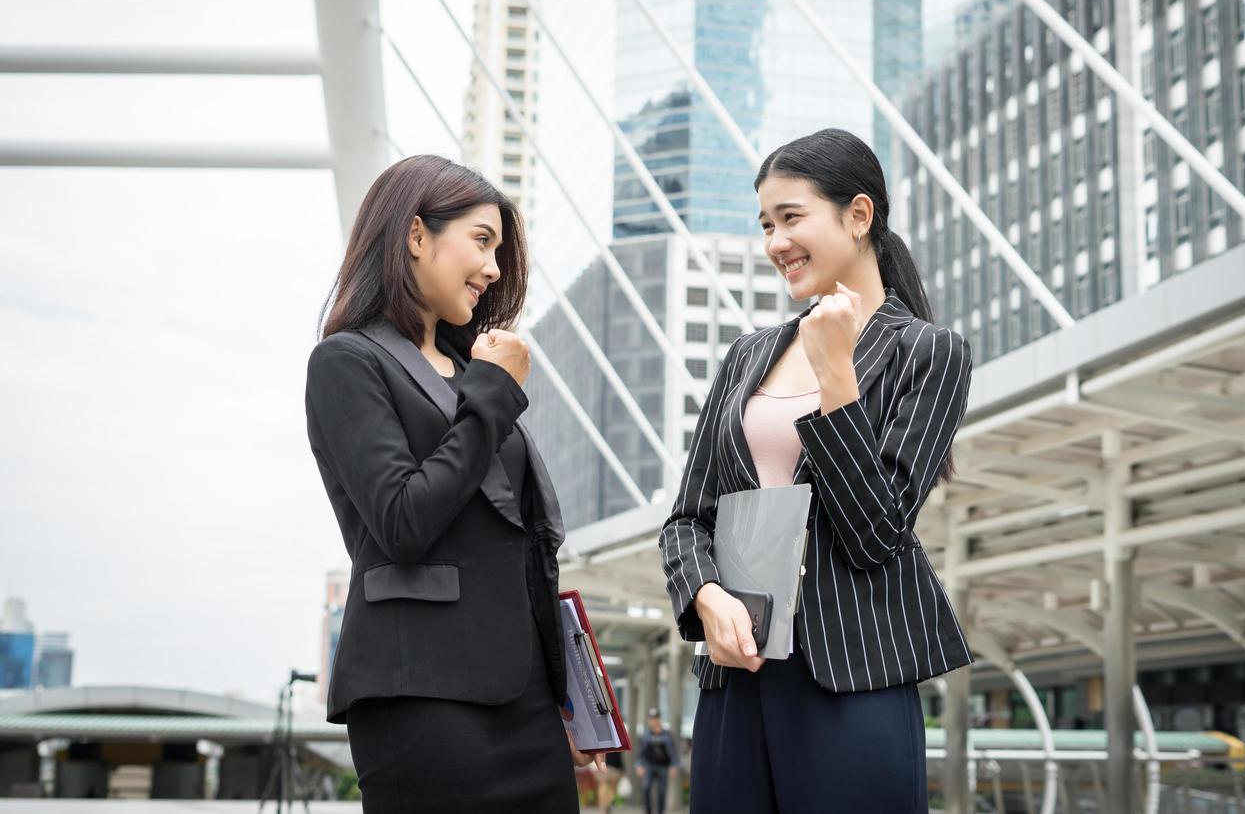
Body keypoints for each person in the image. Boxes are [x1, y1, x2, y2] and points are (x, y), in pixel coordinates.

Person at [660, 129, 974, 813]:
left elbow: (875, 533)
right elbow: (687, 517)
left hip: (851, 674)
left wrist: (835, 372)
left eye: (791, 218)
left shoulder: (929, 353)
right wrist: (705, 597)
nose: (775, 242)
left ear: (858, 216)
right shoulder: (748, 355)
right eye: (766, 224)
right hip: (736, 675)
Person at [304, 155, 601, 813]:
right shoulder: (348, 361)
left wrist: (567, 695)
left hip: (523, 701)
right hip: (421, 694)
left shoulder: (469, 368)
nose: (494, 268)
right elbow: (403, 520)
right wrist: (492, 392)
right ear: (415, 236)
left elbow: (521, 551)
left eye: (499, 250)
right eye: (481, 241)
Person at [636, 708, 679, 814]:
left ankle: (660, 812)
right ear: (649, 721)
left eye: (655, 719)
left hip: (663, 767)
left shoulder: (667, 734)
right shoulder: (646, 735)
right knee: (646, 788)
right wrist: (639, 765)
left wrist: (674, 766)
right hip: (649, 766)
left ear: (659, 720)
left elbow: (673, 752)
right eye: (651, 719)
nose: (654, 721)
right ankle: (648, 811)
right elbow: (641, 752)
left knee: (662, 791)